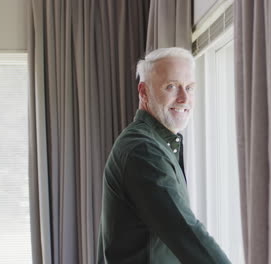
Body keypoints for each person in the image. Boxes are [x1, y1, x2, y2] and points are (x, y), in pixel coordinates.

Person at [97, 47, 231, 264]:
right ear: (143, 92)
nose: (184, 98)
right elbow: (186, 233)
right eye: (171, 86)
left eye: (189, 87)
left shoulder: (157, 144)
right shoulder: (142, 150)